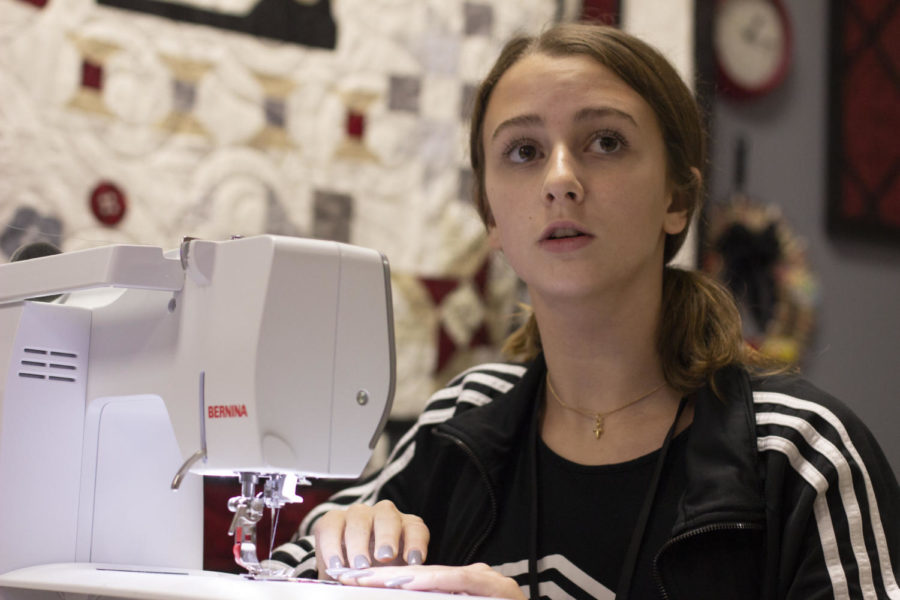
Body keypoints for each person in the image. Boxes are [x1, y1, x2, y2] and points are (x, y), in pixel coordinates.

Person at [267, 23, 900, 599]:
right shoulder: (460, 423)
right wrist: (341, 540)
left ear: (678, 199)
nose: (560, 179)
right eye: (523, 151)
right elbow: (269, 578)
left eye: (605, 141)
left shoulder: (800, 454)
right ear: (491, 216)